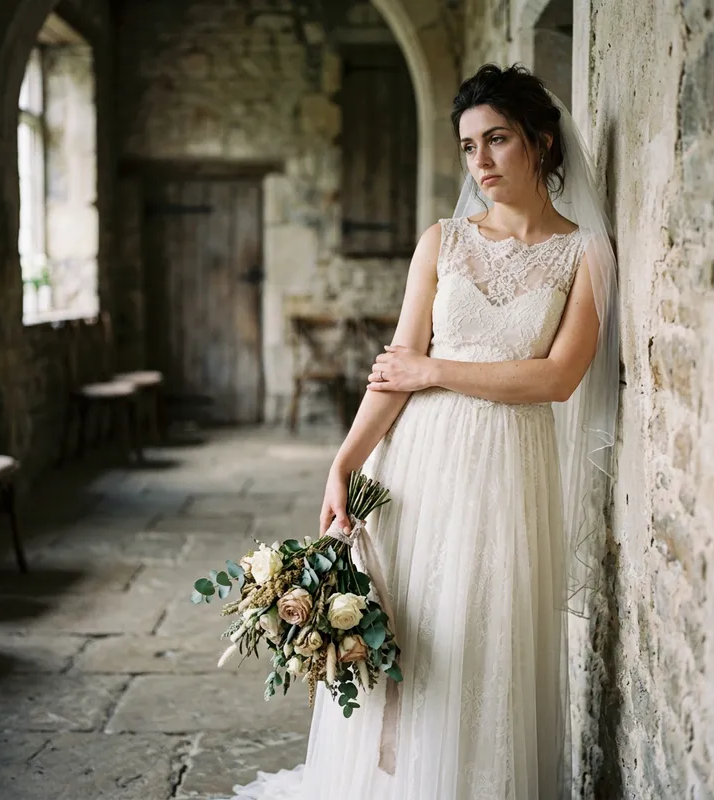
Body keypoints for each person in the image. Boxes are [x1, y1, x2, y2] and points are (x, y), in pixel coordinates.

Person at [228, 62, 619, 800]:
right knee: (410, 633)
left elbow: (557, 378)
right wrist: (344, 461)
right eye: (469, 147)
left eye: (497, 140)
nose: (481, 162)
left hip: (513, 465)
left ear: (540, 141)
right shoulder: (442, 240)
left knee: (486, 637)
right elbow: (395, 370)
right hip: (419, 462)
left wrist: (434, 371)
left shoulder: (586, 254)